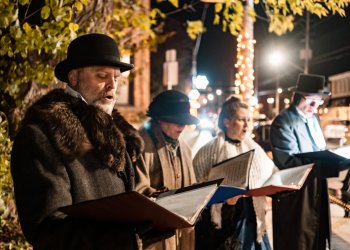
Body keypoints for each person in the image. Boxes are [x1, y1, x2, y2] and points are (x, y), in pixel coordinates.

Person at [11, 33, 171, 250]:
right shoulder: (43, 136)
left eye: (116, 78)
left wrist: (159, 209)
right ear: (74, 77)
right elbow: (47, 229)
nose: (112, 85)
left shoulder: (117, 134)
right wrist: (123, 238)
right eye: (102, 76)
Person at [193, 96, 275, 250]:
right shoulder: (210, 151)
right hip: (222, 221)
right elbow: (197, 185)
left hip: (250, 217)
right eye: (241, 120)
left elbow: (269, 171)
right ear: (227, 122)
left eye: (248, 120)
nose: (247, 125)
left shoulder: (254, 148)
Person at [269, 73, 337, 250]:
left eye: (319, 101)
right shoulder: (283, 122)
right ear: (298, 97)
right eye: (311, 101)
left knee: (317, 240)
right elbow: (288, 161)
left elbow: (319, 150)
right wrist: (323, 162)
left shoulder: (314, 119)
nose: (315, 107)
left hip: (317, 190)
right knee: (297, 241)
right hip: (296, 197)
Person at [135, 90, 199, 250]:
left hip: (181, 235)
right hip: (155, 238)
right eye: (176, 121)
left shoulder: (184, 148)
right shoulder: (140, 144)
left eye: (184, 121)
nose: (182, 126)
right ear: (159, 119)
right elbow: (137, 192)